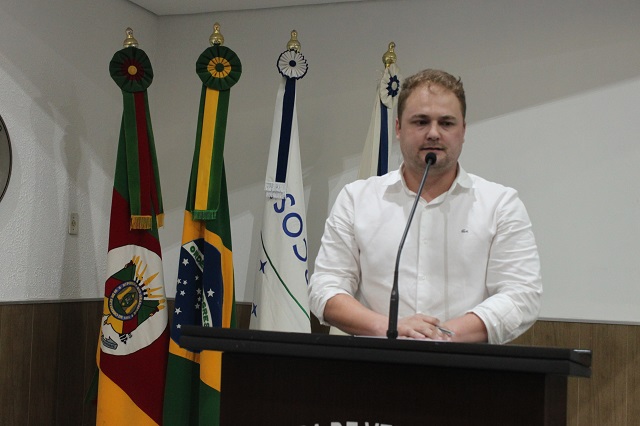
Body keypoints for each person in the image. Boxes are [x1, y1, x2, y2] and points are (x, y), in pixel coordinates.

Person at [308, 69, 542, 344]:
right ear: (398, 128)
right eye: (420, 122)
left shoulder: (500, 204)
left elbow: (521, 296)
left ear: (463, 131)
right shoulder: (356, 199)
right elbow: (325, 288)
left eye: (446, 123)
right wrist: (390, 328)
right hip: (376, 362)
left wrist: (441, 337)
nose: (433, 133)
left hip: (465, 365)